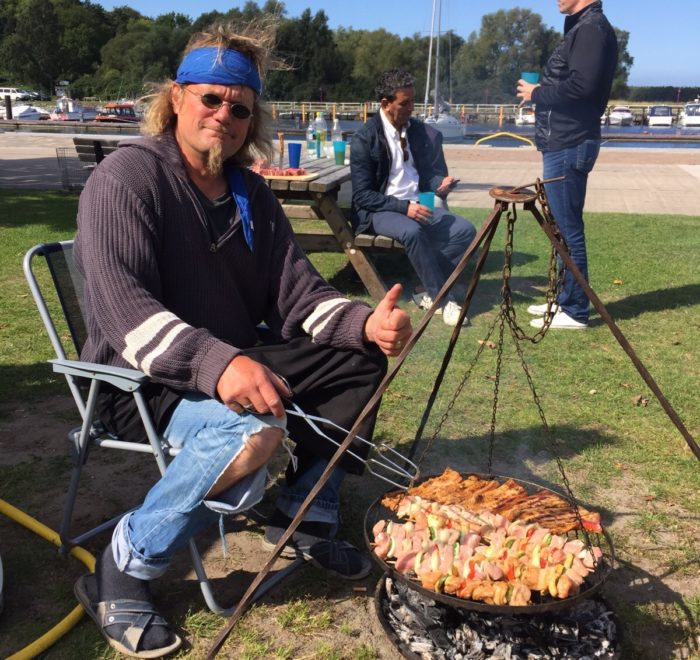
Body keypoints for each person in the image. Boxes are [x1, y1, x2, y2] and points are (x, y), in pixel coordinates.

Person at [72, 22, 411, 658]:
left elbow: (297, 295)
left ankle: (301, 513)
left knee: (360, 359)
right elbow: (122, 307)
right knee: (254, 432)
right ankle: (126, 561)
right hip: (137, 379)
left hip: (225, 360)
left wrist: (364, 323)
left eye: (240, 107)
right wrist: (219, 363)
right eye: (211, 98)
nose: (223, 115)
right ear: (177, 97)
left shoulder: (250, 190)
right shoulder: (127, 177)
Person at [517, 0, 618, 330]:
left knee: (568, 230)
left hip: (571, 143)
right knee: (560, 227)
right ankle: (563, 299)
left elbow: (581, 87)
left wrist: (537, 93)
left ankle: (575, 310)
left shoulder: (590, 29)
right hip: (563, 142)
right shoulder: (582, 26)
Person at [350, 68, 477, 327]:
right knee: (413, 232)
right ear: (385, 104)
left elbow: (425, 176)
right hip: (380, 210)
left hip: (417, 204)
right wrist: (404, 207)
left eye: (413, 102)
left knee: (465, 231)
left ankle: (423, 286)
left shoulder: (417, 131)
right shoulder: (365, 138)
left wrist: (439, 184)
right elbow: (363, 195)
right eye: (405, 103)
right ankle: (442, 298)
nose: (412, 109)